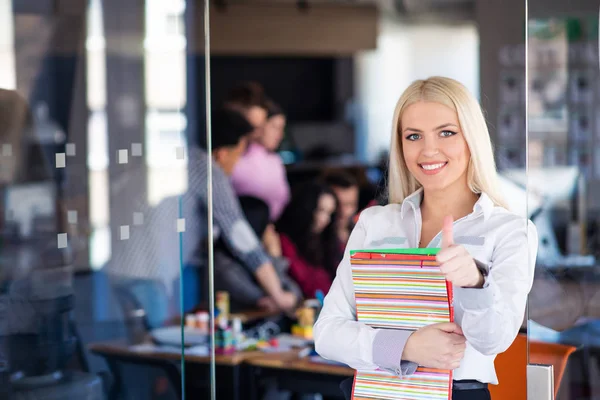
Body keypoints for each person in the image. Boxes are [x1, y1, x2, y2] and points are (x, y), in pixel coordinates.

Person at [313, 77, 538, 400]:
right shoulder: (375, 223)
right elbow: (327, 333)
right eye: (413, 136)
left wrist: (475, 283)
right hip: (375, 391)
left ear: (471, 138)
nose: (428, 150)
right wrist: (407, 346)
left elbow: (494, 341)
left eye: (447, 132)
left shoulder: (509, 231)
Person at [276, 182, 340, 299]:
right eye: (321, 210)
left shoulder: (325, 241)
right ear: (307, 207)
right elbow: (303, 279)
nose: (325, 219)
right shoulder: (284, 241)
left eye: (329, 213)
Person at [231, 99, 290, 221]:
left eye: (282, 128)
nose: (280, 134)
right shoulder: (235, 158)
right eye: (275, 127)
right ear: (260, 125)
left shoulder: (275, 161)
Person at [321, 171, 359, 245]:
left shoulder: (363, 236)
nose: (343, 211)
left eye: (349, 204)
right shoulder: (315, 243)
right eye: (337, 204)